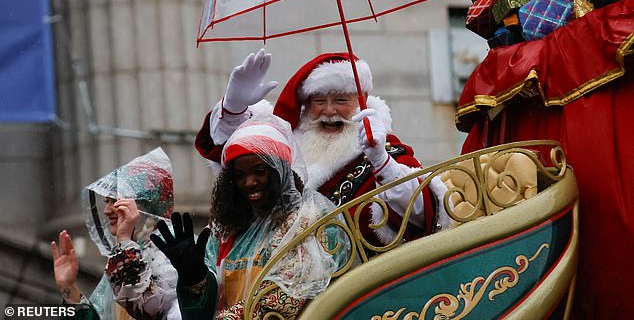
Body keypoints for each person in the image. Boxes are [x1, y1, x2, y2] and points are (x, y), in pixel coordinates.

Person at [195, 50, 451, 245]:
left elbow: (422, 213)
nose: (329, 112)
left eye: (341, 100)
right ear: (306, 106)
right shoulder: (287, 147)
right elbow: (234, 159)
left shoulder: (386, 150)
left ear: (361, 102)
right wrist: (233, 108)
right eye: (319, 101)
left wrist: (380, 160)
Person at [152, 115, 345, 320]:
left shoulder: (310, 218)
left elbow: (285, 300)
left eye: (259, 171)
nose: (249, 182)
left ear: (280, 170)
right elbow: (205, 306)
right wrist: (194, 276)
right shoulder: (228, 228)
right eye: (239, 175)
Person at [51, 148, 181, 319]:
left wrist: (125, 241)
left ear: (146, 206)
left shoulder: (173, 254)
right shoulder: (125, 255)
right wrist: (68, 288)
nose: (106, 210)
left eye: (117, 200)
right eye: (107, 201)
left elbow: (145, 306)